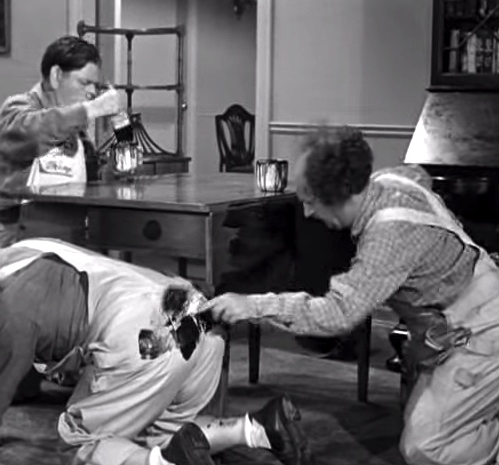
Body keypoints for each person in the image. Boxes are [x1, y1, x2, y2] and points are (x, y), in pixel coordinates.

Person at [202, 125, 499, 465]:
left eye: (311, 202)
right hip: (456, 315)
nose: (308, 213)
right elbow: (418, 175)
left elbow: (338, 314)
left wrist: (253, 305)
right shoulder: (389, 182)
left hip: (481, 329)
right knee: (426, 422)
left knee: (425, 447)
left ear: (339, 195)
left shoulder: (388, 237)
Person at [0, 233, 311, 465]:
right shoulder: (25, 248)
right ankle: (256, 429)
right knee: (158, 435)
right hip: (196, 321)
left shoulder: (7, 313)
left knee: (80, 446)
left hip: (143, 344)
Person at [0, 35, 121, 252]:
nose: (91, 92)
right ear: (57, 75)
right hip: (20, 242)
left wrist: (122, 128)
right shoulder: (17, 108)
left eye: (95, 86)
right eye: (84, 82)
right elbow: (36, 131)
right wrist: (93, 109)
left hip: (68, 238)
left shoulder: (78, 129)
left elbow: (96, 181)